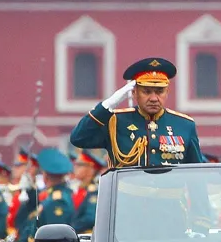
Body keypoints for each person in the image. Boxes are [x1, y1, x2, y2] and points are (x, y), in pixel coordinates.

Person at [69, 57, 203, 167]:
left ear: (167, 92)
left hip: (170, 199)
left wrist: (200, 200)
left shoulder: (184, 125)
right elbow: (78, 138)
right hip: (128, 199)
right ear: (134, 93)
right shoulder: (116, 122)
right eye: (146, 92)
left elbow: (196, 173)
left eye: (159, 92)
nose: (154, 98)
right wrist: (107, 106)